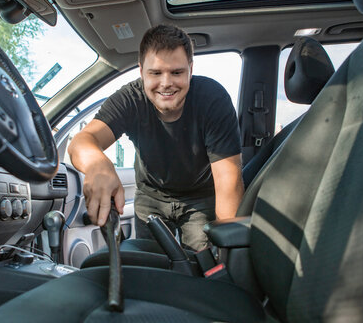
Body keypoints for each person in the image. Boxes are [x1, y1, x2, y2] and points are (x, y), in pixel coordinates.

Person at [68, 24, 244, 250]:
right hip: (151, 195)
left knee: (205, 267)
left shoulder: (212, 99)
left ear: (191, 69)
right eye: (156, 73)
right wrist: (98, 166)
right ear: (141, 71)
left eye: (177, 72)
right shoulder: (130, 99)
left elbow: (228, 179)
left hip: (201, 196)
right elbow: (82, 141)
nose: (166, 83)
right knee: (151, 267)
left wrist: (228, 246)